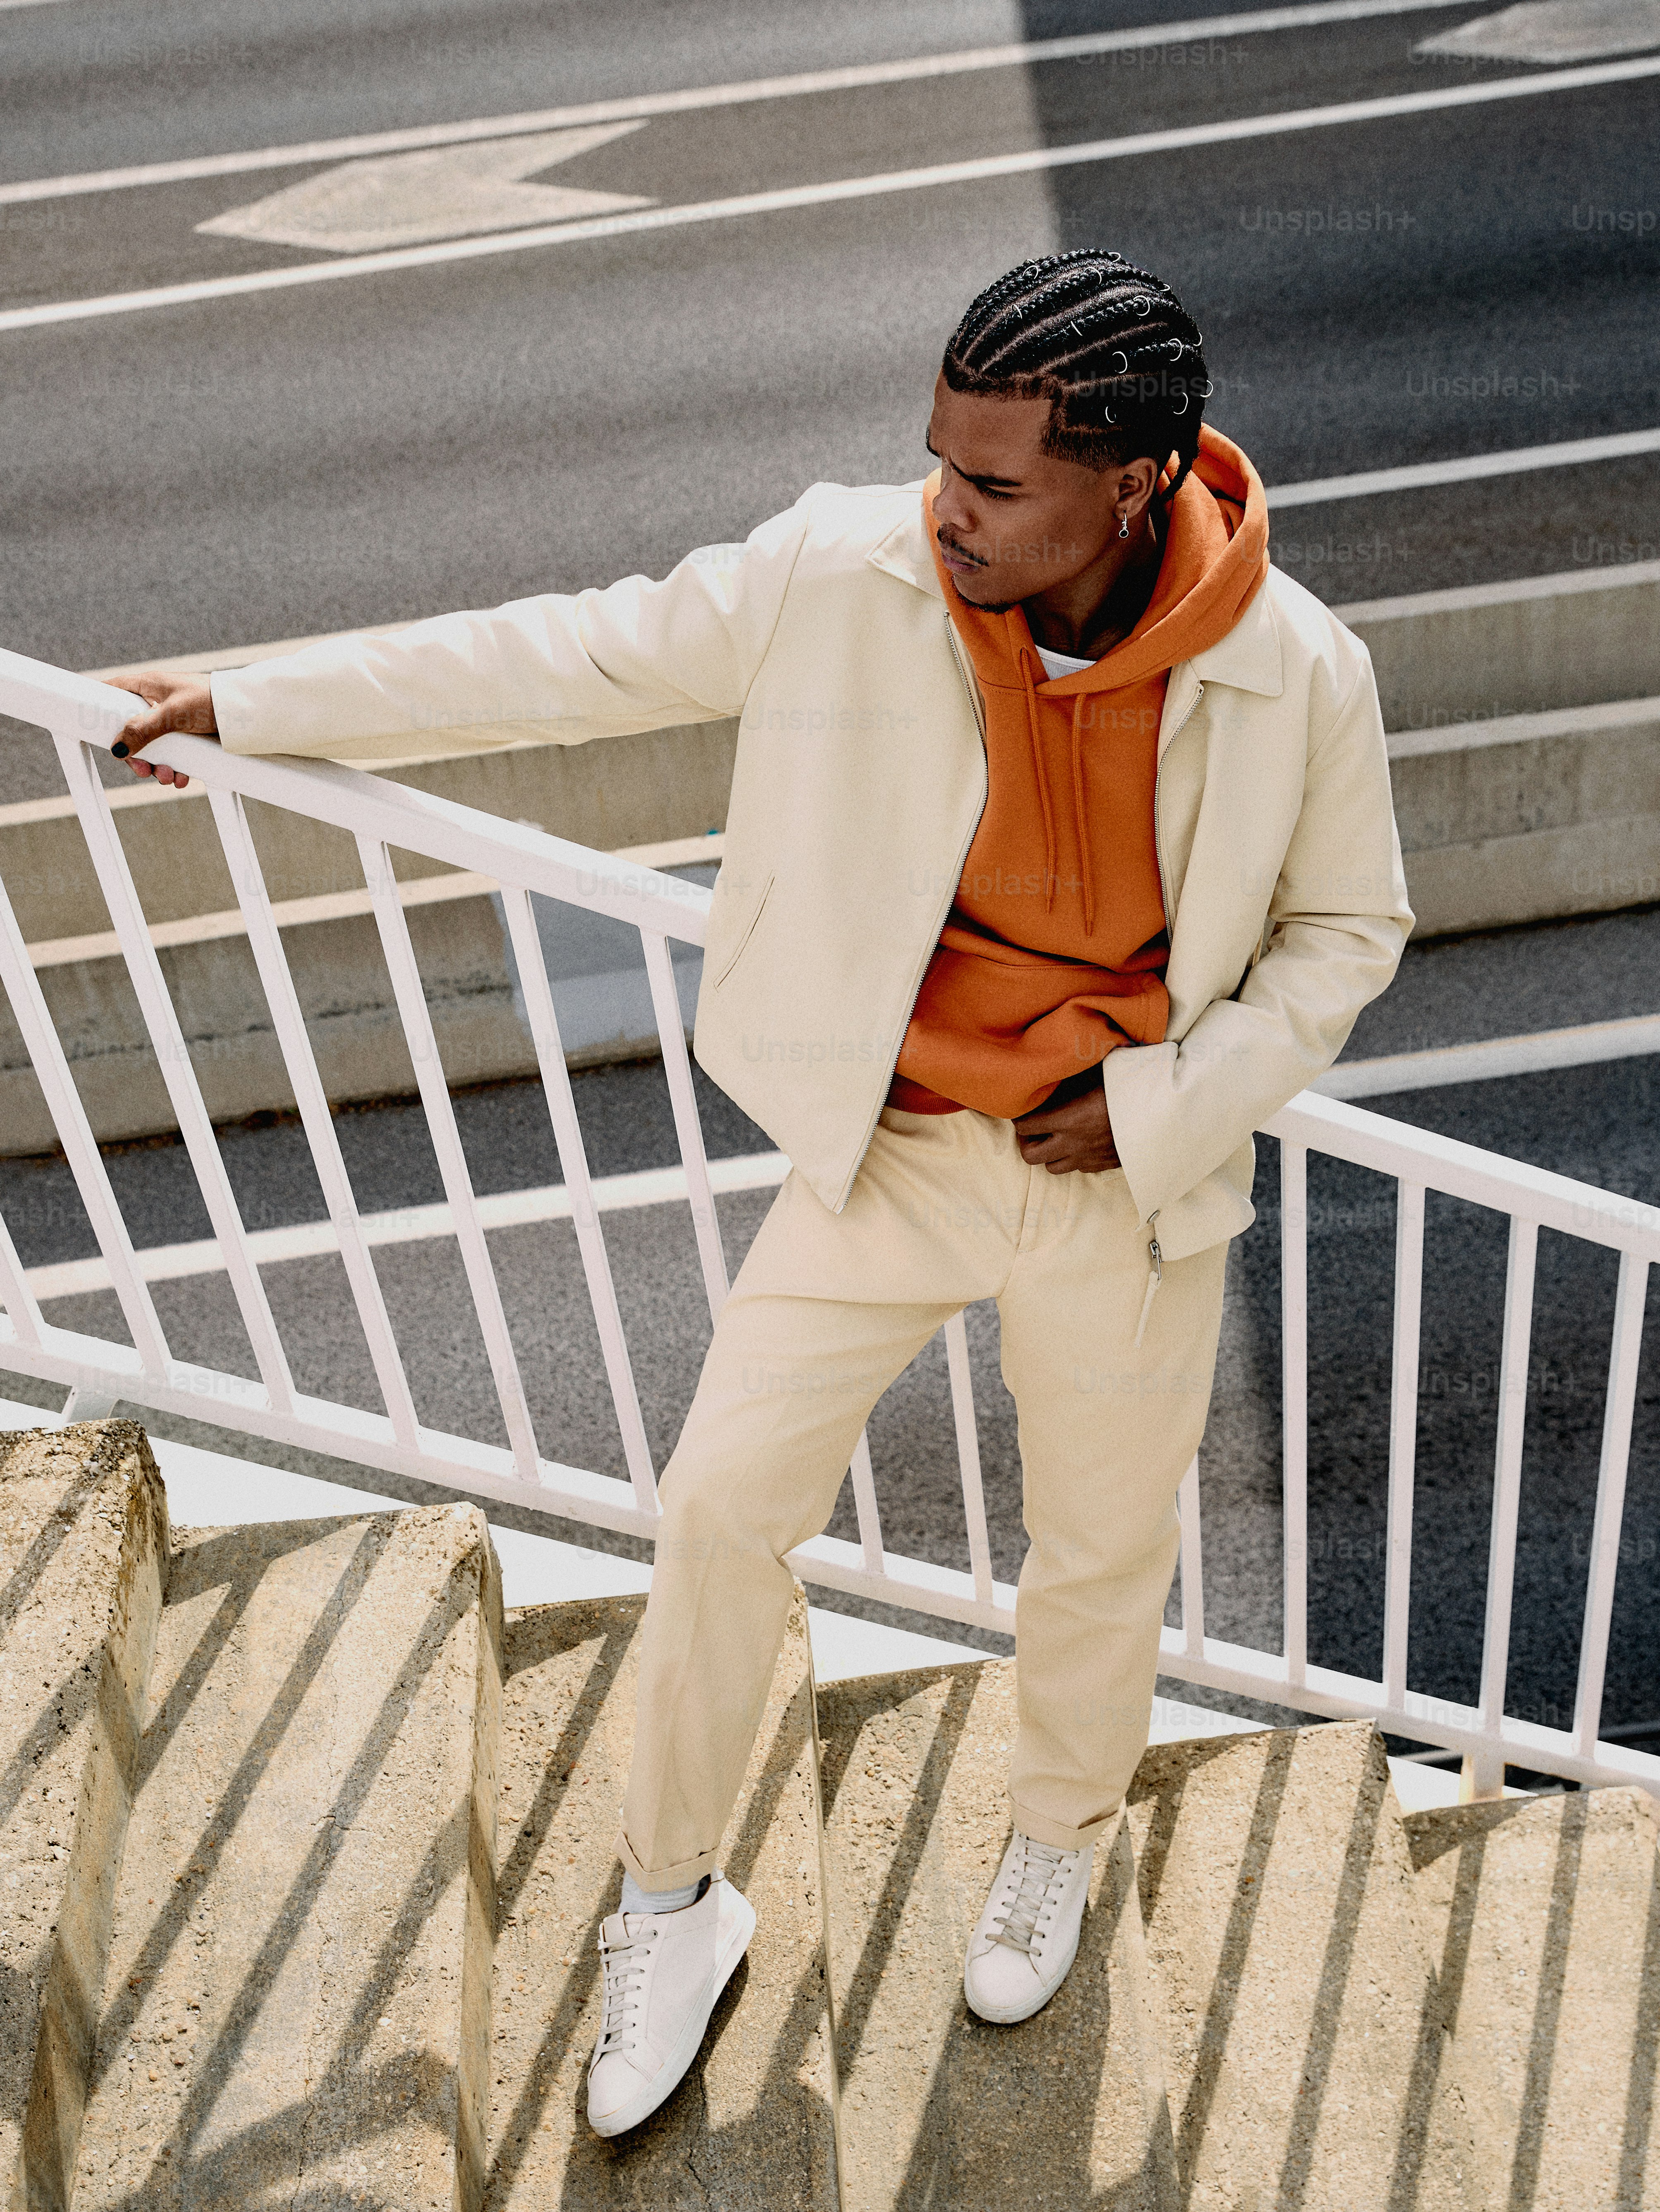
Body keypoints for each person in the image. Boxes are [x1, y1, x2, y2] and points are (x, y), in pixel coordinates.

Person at [116, 250, 1410, 2137]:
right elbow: (569, 658)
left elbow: (1346, 930)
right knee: (720, 1503)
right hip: (884, 1148)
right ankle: (670, 1899)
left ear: (1134, 482)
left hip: (1117, 1179)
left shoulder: (1295, 668)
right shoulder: (842, 570)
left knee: (1098, 1551)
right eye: (939, 461)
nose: (945, 510)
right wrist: (248, 702)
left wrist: (1159, 1109)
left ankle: (1056, 1837)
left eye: (995, 485)